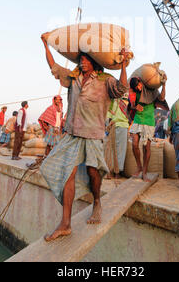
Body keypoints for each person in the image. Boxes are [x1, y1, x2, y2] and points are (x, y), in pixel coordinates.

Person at [40, 33, 128, 241]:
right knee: (66, 175)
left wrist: (124, 64)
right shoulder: (72, 77)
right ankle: (65, 224)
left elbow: (122, 88)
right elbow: (53, 66)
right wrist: (46, 46)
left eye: (87, 58)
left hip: (93, 133)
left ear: (96, 62)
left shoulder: (106, 80)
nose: (83, 61)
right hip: (73, 134)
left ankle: (97, 201)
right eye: (81, 58)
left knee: (93, 172)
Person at [128, 76, 167, 182]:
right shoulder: (134, 93)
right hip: (137, 119)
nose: (139, 88)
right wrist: (135, 107)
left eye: (139, 85)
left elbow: (162, 98)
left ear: (142, 82)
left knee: (147, 147)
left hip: (149, 122)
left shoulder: (152, 91)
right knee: (134, 144)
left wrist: (163, 85)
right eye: (136, 87)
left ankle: (144, 172)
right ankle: (139, 167)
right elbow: (131, 106)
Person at [105, 94, 129, 179]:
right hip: (122, 126)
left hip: (114, 126)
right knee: (120, 150)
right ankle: (117, 172)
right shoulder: (129, 101)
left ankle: (110, 171)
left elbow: (108, 116)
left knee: (111, 149)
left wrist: (108, 126)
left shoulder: (113, 100)